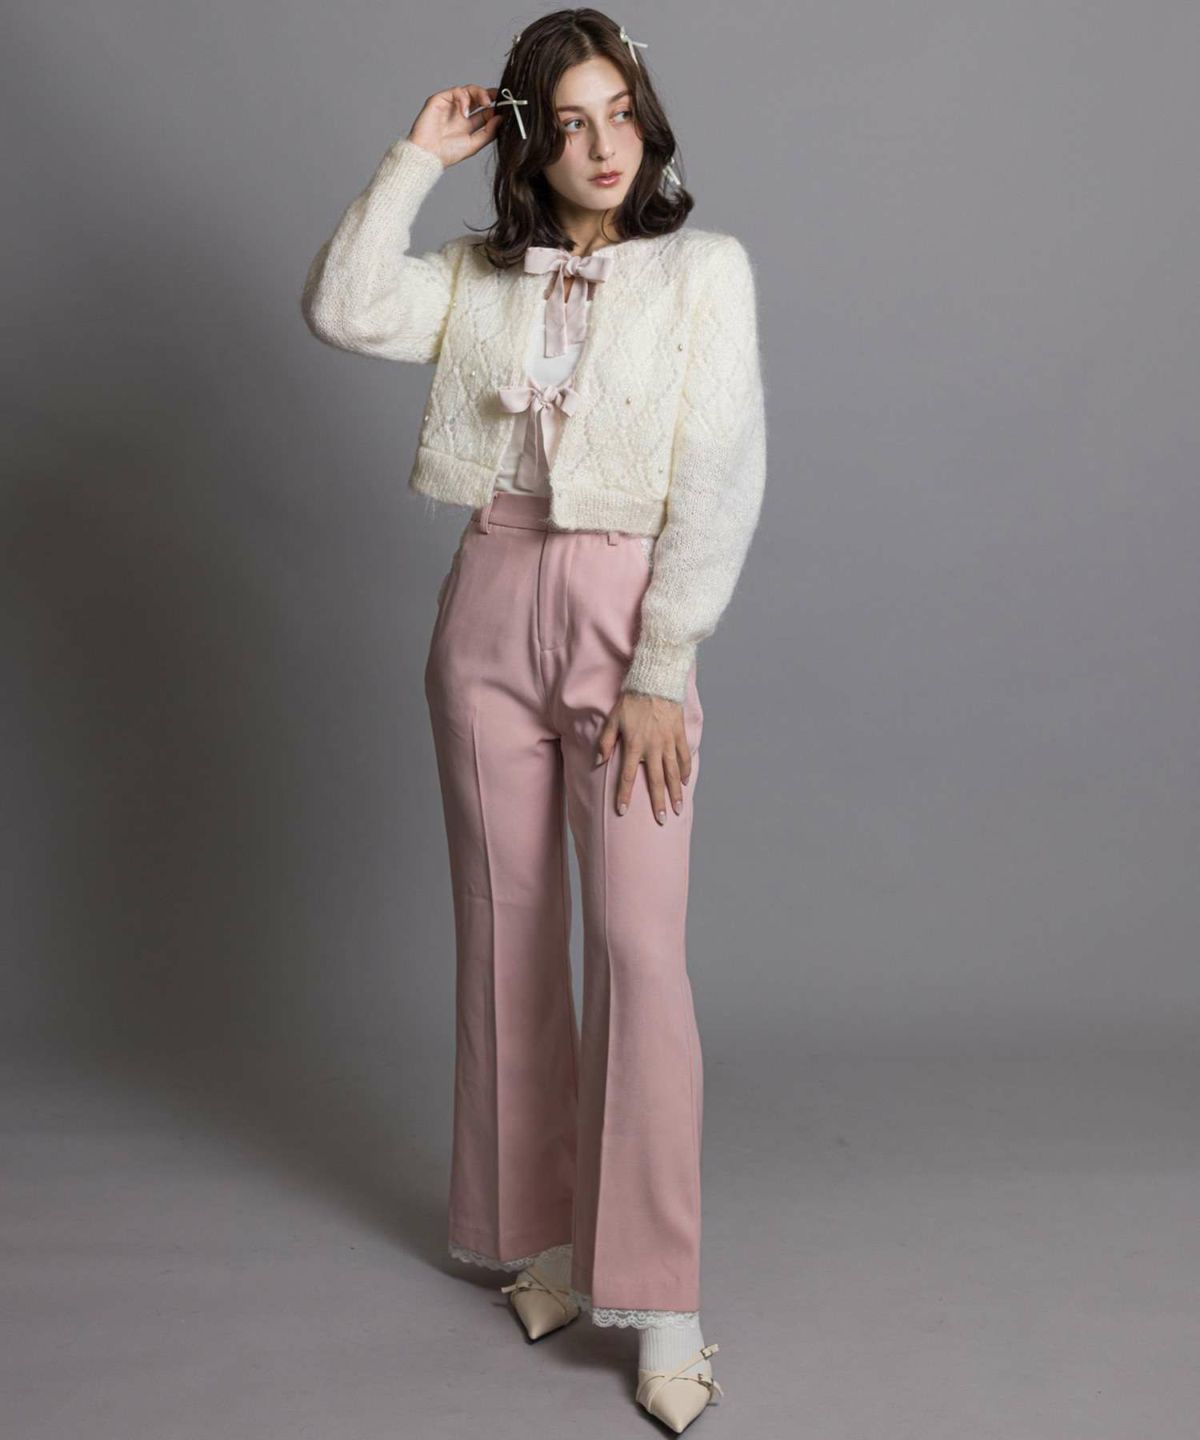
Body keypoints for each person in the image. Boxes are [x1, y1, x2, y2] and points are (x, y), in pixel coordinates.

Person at [300, 9, 765, 1431]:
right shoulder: (478, 275)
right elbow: (342, 309)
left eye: (619, 112)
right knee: (503, 934)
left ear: (648, 120)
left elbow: (723, 468)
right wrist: (411, 160)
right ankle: (542, 1242)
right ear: (529, 143)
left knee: (636, 953)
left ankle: (663, 1297)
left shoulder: (703, 272)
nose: (603, 145)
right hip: (490, 606)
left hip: (628, 624)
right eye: (568, 122)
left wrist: (661, 662)